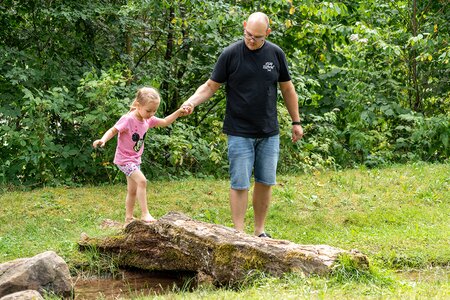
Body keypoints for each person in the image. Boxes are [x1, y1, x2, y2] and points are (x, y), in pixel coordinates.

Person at [181, 12, 304, 238]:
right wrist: (191, 102)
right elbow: (210, 86)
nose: (251, 39)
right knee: (239, 183)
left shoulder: (275, 54)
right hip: (239, 131)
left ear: (267, 33)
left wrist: (296, 121)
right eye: (248, 34)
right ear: (244, 26)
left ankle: (259, 231)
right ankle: (238, 233)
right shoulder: (230, 54)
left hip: (269, 131)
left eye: (257, 37)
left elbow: (288, 89)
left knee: (265, 182)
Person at [93, 87, 186, 224]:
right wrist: (103, 140)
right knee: (142, 181)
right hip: (124, 160)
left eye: (154, 111)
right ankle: (145, 214)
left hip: (135, 160)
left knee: (132, 190)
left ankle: (128, 218)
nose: (151, 114)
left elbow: (165, 122)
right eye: (148, 110)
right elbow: (113, 131)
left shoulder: (147, 120)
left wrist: (179, 112)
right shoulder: (128, 119)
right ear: (137, 105)